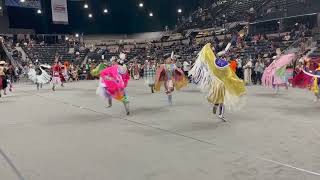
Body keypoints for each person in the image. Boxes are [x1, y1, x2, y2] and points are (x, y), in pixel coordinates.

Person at [189, 43, 246, 121]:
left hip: (216, 83)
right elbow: (229, 75)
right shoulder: (222, 64)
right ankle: (219, 112)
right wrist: (236, 82)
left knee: (219, 98)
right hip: (220, 83)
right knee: (220, 99)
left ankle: (217, 109)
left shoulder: (214, 62)